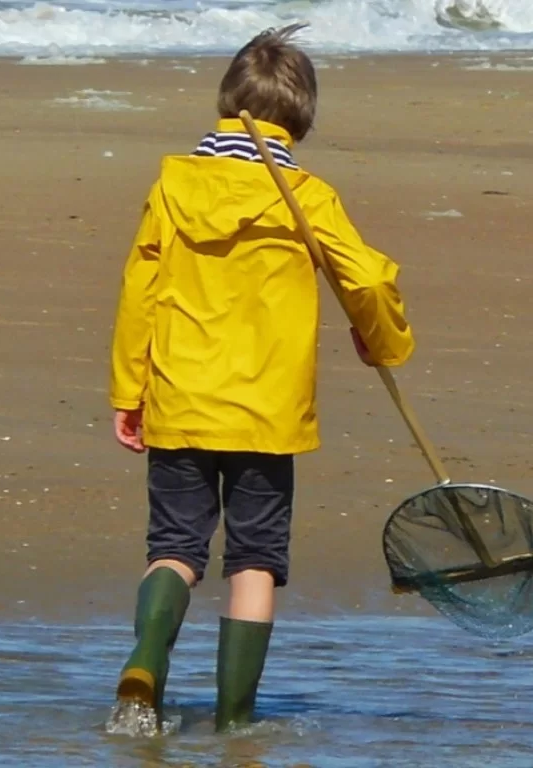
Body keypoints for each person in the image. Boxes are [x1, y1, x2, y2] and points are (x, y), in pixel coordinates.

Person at [106, 22, 415, 733]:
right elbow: (364, 276)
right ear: (299, 117)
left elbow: (138, 292)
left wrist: (129, 390)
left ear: (227, 105)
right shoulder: (306, 194)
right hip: (267, 411)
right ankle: (233, 721)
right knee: (253, 559)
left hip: (181, 396)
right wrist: (383, 341)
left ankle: (146, 657)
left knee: (174, 549)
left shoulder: (173, 185)